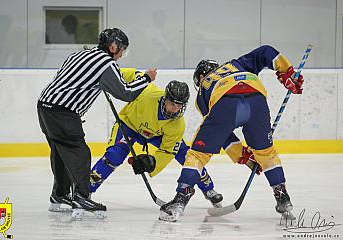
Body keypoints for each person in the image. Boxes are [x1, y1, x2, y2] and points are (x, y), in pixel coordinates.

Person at [159, 45, 304, 222]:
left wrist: (241, 155)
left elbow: (223, 134)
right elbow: (266, 51)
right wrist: (286, 72)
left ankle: (180, 199)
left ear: (201, 77)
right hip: (256, 98)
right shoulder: (236, 64)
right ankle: (282, 197)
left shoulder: (203, 91)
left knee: (197, 154)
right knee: (266, 153)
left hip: (224, 102)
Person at [37, 27, 157, 218]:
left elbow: (72, 79)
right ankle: (81, 197)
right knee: (79, 153)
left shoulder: (81, 54)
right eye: (122, 49)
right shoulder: (106, 63)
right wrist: (146, 79)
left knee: (61, 152)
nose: (121, 54)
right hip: (63, 112)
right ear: (113, 46)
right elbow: (125, 92)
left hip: (45, 106)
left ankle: (59, 196)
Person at [90, 71, 223, 207]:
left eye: (180, 105)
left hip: (156, 134)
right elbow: (129, 75)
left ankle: (208, 188)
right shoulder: (148, 92)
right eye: (172, 103)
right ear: (165, 98)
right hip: (129, 125)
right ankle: (86, 189)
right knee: (114, 155)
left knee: (187, 156)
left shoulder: (177, 125)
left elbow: (167, 151)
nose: (175, 109)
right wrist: (104, 74)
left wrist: (152, 162)